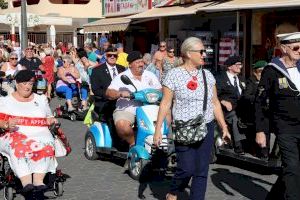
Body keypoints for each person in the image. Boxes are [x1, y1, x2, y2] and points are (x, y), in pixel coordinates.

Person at [153, 37, 230, 200]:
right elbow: (165, 103)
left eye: (206, 51)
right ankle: (173, 190)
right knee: (186, 168)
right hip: (184, 128)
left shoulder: (208, 75)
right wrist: (158, 130)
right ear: (189, 53)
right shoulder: (173, 74)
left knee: (201, 171)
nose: (205, 55)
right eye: (202, 51)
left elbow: (215, 102)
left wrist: (224, 127)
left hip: (206, 126)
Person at [255, 32, 300, 200]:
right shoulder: (272, 70)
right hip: (285, 127)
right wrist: (260, 130)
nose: (299, 51)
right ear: (284, 48)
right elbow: (260, 102)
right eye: (296, 47)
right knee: (292, 167)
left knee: (293, 170)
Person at [0, 70, 57, 200]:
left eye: (30, 84)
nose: (27, 87)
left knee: (47, 144)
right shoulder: (5, 101)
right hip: (14, 133)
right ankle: (26, 183)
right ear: (16, 83)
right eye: (24, 83)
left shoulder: (41, 99)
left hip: (40, 133)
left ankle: (38, 181)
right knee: (18, 145)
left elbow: (49, 116)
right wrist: (6, 124)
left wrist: (51, 120)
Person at [106, 51, 161, 146]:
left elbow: (159, 90)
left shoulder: (150, 75)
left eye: (142, 62)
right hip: (128, 110)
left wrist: (161, 93)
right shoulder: (122, 77)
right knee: (122, 125)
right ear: (130, 64)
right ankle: (133, 144)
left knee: (167, 116)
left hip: (149, 109)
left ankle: (166, 143)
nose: (141, 64)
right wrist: (120, 93)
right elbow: (109, 92)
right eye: (137, 62)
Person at [90, 47, 125, 139]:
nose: (112, 57)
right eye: (110, 55)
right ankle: (116, 141)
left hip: (123, 100)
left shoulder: (122, 69)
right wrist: (111, 95)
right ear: (105, 56)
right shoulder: (97, 71)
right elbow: (96, 90)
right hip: (106, 102)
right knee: (112, 113)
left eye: (115, 55)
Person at [216, 55, 246, 154]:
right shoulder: (220, 78)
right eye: (237, 65)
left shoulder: (241, 79)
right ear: (229, 67)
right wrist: (223, 101)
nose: (240, 66)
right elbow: (214, 95)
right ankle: (238, 145)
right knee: (234, 117)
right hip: (225, 110)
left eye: (241, 64)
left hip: (241, 108)